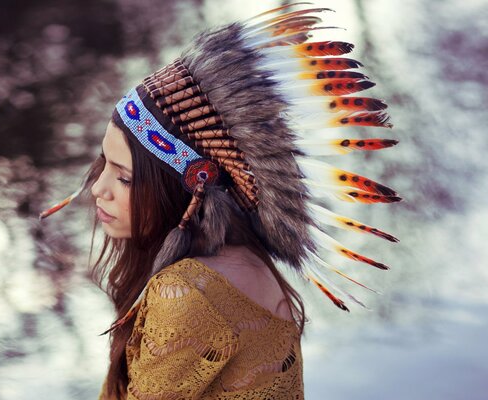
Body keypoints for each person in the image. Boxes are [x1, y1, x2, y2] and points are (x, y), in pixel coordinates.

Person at [40, 4, 400, 399]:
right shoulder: (250, 262)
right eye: (103, 164)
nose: (98, 189)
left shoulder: (188, 291)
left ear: (190, 186)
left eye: (124, 177)